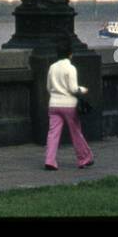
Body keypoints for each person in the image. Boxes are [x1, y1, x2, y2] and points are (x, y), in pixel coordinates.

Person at [44, 39, 93, 171]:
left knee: (52, 133)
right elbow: (73, 88)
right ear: (70, 54)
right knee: (76, 132)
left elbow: (48, 87)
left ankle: (50, 160)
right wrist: (83, 89)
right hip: (69, 105)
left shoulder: (52, 67)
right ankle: (84, 158)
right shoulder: (71, 68)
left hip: (53, 104)